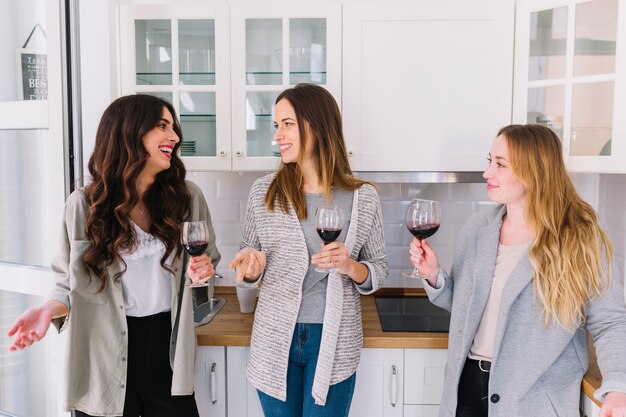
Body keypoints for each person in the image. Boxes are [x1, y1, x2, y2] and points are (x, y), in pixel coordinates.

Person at [6, 94, 220, 417]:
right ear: (130, 133)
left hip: (168, 357)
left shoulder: (188, 198)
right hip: (103, 361)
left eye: (173, 126)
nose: (175, 136)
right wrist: (48, 311)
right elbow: (67, 284)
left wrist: (202, 275)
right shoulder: (83, 207)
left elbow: (207, 270)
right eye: (162, 126)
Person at [408, 124, 626, 417]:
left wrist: (618, 388)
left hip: (533, 398)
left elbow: (610, 323)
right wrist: (435, 275)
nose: (487, 172)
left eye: (500, 164)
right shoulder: (477, 230)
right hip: (467, 388)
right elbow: (464, 307)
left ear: (534, 172)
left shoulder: (581, 239)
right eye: (490, 161)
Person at [229, 83, 388, 417]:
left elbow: (378, 270)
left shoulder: (363, 197)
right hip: (275, 340)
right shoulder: (264, 192)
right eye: (276, 126)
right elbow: (246, 259)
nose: (277, 136)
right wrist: (250, 268)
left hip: (335, 339)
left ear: (316, 124)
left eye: (287, 124)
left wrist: (349, 266)